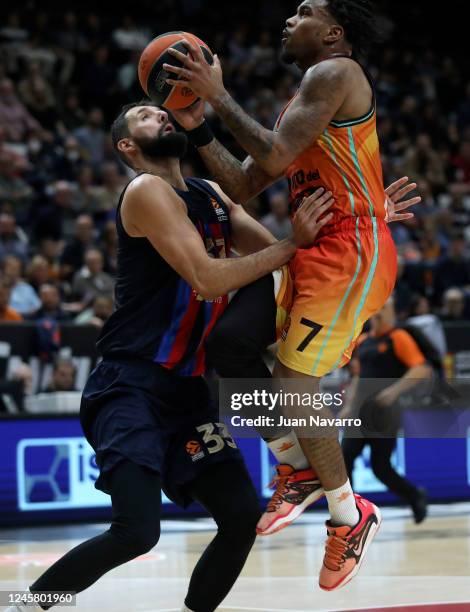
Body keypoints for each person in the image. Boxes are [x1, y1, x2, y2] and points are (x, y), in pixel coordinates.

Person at [8, 102, 330, 612]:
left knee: (241, 515)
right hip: (130, 384)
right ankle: (28, 606)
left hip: (187, 393)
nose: (160, 115)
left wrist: (300, 246)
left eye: (162, 111)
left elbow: (269, 259)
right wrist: (288, 247)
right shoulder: (144, 190)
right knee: (137, 532)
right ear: (127, 146)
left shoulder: (211, 194)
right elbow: (208, 278)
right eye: (144, 115)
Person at [166, 0, 421, 591]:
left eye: (304, 11)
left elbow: (274, 156)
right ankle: (297, 465)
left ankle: (347, 513)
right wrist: (199, 124)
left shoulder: (335, 72)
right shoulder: (303, 100)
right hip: (314, 246)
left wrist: (217, 92)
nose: (289, 17)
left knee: (293, 381)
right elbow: (245, 181)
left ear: (333, 32)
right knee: (226, 348)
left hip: (347, 250)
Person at [340, 296, 431, 524]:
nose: (379, 312)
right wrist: (348, 406)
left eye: (384, 308)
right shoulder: (362, 341)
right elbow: (358, 377)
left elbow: (421, 370)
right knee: (344, 460)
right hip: (360, 413)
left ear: (392, 312)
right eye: (376, 308)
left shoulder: (398, 337)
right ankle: (350, 516)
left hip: (385, 414)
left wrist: (393, 391)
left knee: (381, 468)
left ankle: (414, 495)